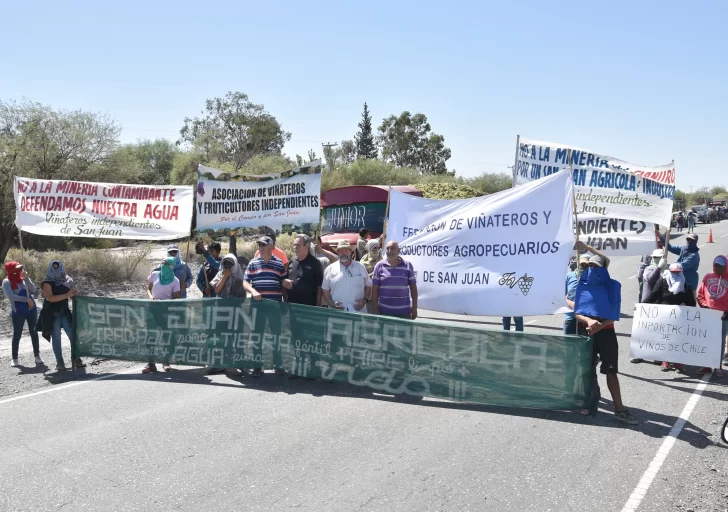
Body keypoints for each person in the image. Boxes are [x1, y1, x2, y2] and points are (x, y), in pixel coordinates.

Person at [573, 246, 638, 424]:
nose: (592, 270)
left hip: (606, 333)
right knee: (587, 370)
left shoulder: (612, 287)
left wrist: (598, 325)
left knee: (611, 371)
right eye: (590, 267)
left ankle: (619, 409)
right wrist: (589, 321)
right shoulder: (582, 286)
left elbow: (613, 315)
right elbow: (577, 312)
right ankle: (589, 402)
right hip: (586, 331)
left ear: (604, 269)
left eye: (596, 266)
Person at [244, 236, 288, 377]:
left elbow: (283, 283)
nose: (260, 247)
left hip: (274, 305)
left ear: (272, 247)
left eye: (264, 244)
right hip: (257, 306)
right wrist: (253, 291)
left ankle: (278, 365)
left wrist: (284, 301)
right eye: (259, 245)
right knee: (257, 335)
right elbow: (245, 282)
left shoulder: (279, 263)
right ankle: (257, 366)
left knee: (276, 335)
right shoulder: (253, 262)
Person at [644, 263, 697, 372]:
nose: (676, 275)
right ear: (669, 272)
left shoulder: (685, 285)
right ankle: (665, 361)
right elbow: (653, 296)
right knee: (665, 339)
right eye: (673, 272)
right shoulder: (662, 281)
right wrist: (642, 306)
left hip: (679, 317)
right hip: (664, 315)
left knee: (677, 340)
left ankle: (678, 362)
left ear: (681, 272)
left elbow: (691, 303)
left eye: (678, 272)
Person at [40, 260, 84, 371]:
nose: (56, 270)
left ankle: (76, 359)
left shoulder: (67, 280)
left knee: (72, 335)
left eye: (57, 267)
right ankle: (60, 362)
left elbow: (71, 295)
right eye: (54, 267)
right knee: (56, 337)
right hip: (52, 313)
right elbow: (50, 298)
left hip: (64, 311)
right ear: (50, 268)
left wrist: (74, 295)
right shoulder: (47, 282)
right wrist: (67, 295)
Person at [143, 256, 181, 373]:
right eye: (162, 263)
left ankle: (166, 361)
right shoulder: (154, 274)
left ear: (171, 267)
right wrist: (152, 298)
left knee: (166, 337)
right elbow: (148, 289)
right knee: (150, 337)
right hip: (152, 309)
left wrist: (167, 304)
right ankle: (151, 363)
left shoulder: (175, 281)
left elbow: (176, 298)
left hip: (165, 312)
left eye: (166, 264)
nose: (163, 266)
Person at [2, 262, 42, 368]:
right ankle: (14, 358)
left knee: (34, 332)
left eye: (20, 268)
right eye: (17, 269)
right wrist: (25, 299)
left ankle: (37, 356)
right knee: (17, 334)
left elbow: (33, 290)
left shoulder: (23, 278)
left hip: (31, 310)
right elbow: (11, 296)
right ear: (11, 270)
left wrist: (27, 279)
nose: (19, 270)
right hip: (18, 311)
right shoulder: (6, 282)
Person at [695, 255, 728, 377]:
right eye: (716, 265)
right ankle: (707, 366)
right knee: (707, 341)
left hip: (723, 316)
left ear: (726, 266)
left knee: (719, 342)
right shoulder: (708, 277)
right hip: (709, 315)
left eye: (721, 266)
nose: (718, 268)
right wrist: (704, 306)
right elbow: (700, 294)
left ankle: (718, 366)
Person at [371, 241, 418, 319]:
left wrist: (414, 307)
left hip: (404, 312)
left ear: (399, 250)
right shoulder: (379, 266)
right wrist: (374, 308)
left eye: (392, 248)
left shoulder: (408, 265)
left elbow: (413, 287)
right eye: (387, 249)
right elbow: (375, 289)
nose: (389, 251)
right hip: (384, 312)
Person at [322, 240, 371, 313]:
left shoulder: (360, 267)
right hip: (336, 313)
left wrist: (365, 300)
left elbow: (368, 285)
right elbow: (325, 290)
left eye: (346, 250)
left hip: (358, 311)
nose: (344, 253)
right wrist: (332, 304)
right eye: (341, 250)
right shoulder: (330, 269)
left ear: (350, 252)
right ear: (337, 252)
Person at [283, 234, 324, 307]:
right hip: (292, 307)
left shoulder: (315, 263)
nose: (295, 247)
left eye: (298, 245)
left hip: (308, 308)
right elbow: (285, 280)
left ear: (307, 247)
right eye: (294, 245)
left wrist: (318, 308)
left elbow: (319, 287)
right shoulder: (292, 261)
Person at [564, 255, 589, 335]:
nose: (584, 267)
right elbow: (561, 296)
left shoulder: (593, 277)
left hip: (586, 319)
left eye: (587, 265)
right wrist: (571, 304)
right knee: (569, 345)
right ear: (578, 264)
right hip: (570, 317)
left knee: (584, 346)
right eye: (582, 264)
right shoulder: (569, 276)